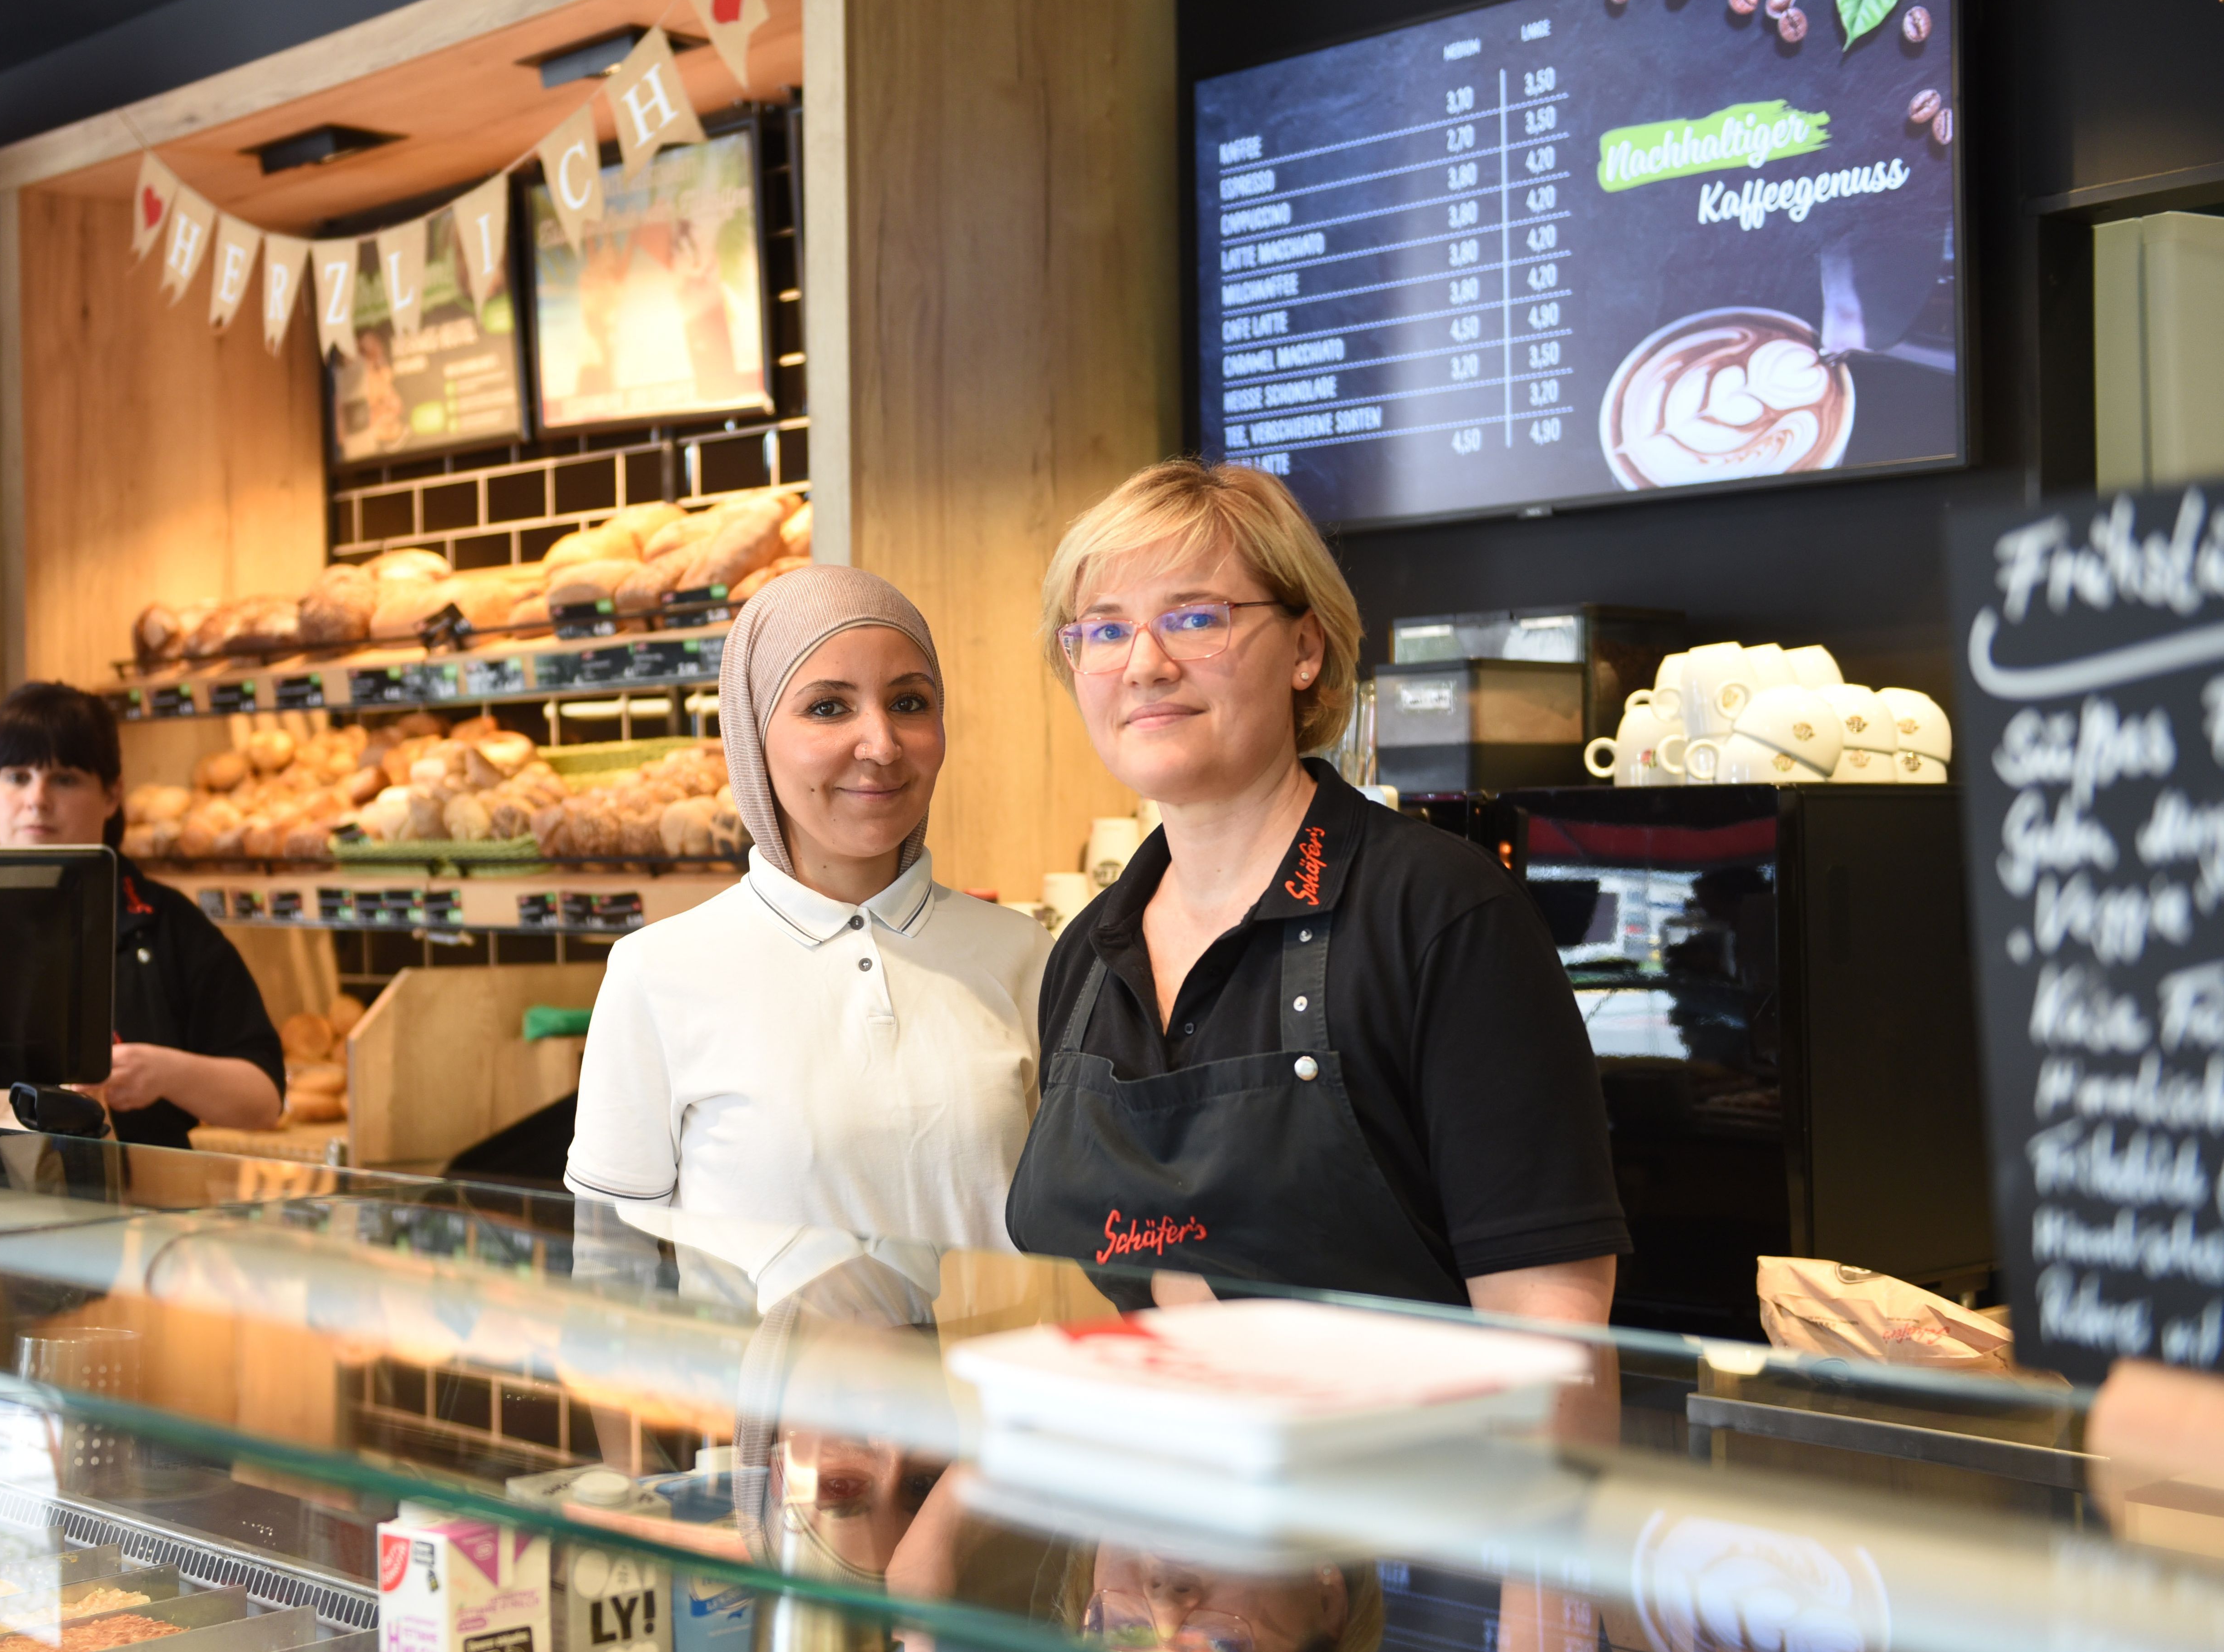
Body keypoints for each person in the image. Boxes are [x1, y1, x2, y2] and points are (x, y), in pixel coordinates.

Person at [1006, 461, 1631, 1322]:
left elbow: (1548, 1333)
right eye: (1104, 633)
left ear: (1306, 648)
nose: (1144, 665)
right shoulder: (1085, 957)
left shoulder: (1439, 915)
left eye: (1194, 619)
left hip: (1397, 1454)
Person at [566, 566, 1051, 1248]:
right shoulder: (656, 972)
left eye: (910, 703)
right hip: (758, 1360)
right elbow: (612, 1278)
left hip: (985, 1358)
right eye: (828, 707)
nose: (881, 745)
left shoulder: (1028, 956)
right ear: (751, 736)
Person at [0, 682, 283, 1144]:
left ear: (113, 794)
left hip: (142, 1210)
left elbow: (264, 1101)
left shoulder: (167, 926)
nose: (37, 799)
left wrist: (165, 1073)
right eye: (18, 776)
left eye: (65, 778)